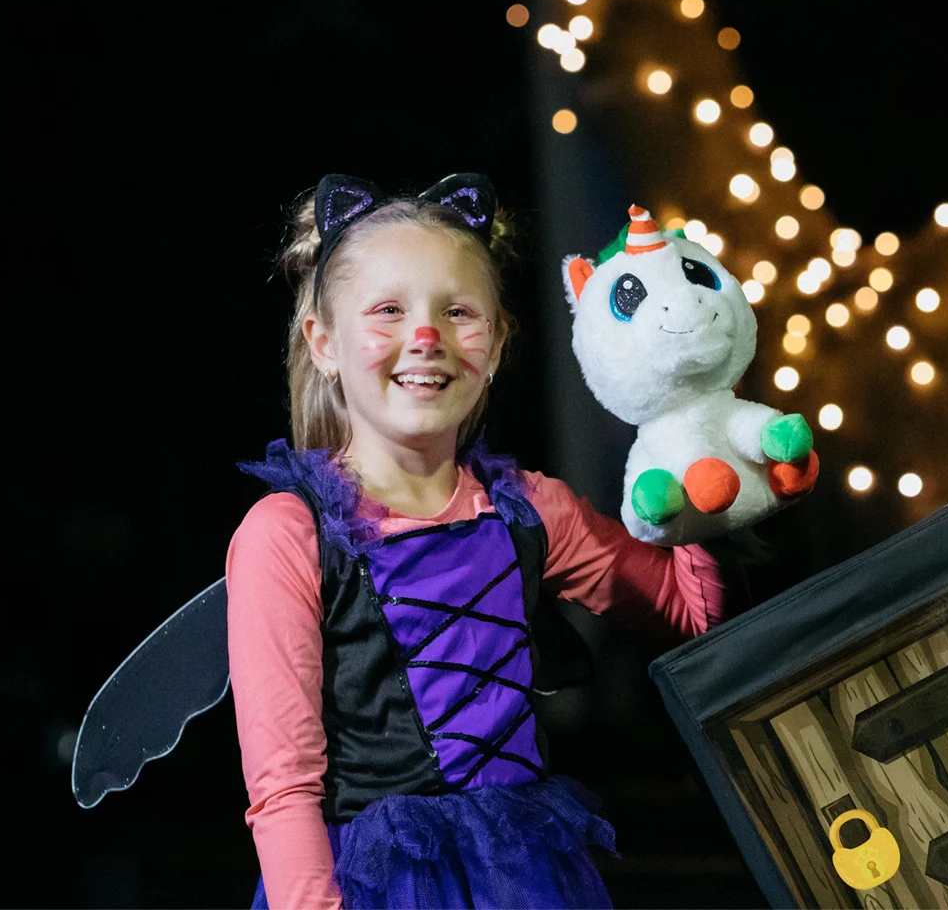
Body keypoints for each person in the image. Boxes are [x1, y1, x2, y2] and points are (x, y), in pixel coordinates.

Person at [228, 174, 733, 909]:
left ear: (494, 344)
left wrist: (693, 442)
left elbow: (694, 619)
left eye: (458, 311)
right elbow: (283, 784)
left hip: (523, 879)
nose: (425, 337)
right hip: (374, 889)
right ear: (325, 343)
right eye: (389, 311)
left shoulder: (531, 510)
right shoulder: (287, 534)